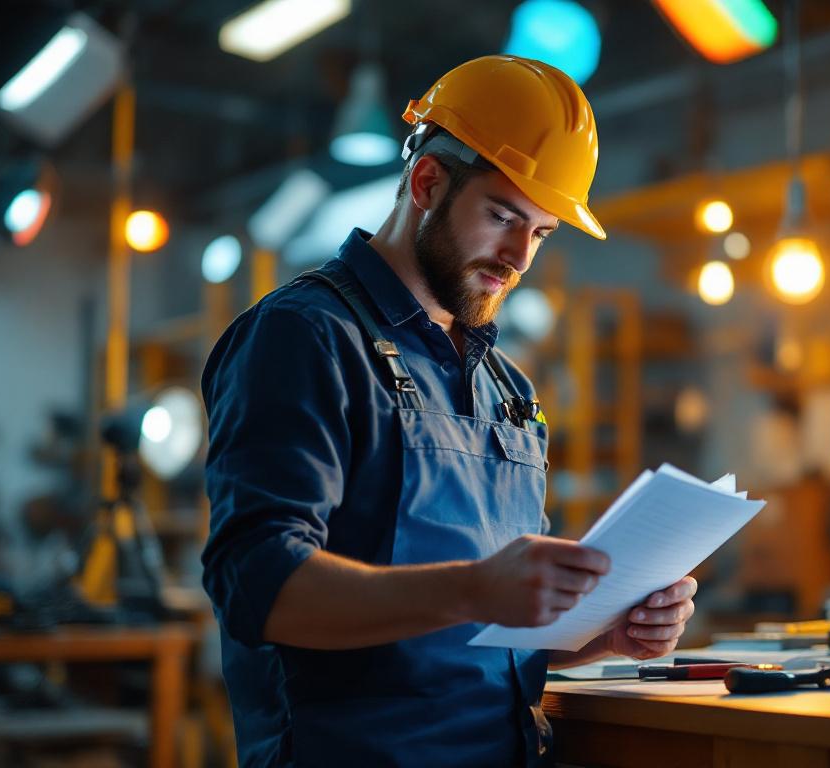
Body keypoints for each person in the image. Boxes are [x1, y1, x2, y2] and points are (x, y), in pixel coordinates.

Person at [200, 55, 698, 767]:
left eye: (541, 232)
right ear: (427, 181)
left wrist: (607, 631)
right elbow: (258, 585)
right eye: (502, 216)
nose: (520, 257)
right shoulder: (304, 336)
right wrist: (475, 588)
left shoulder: (507, 389)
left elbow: (493, 646)